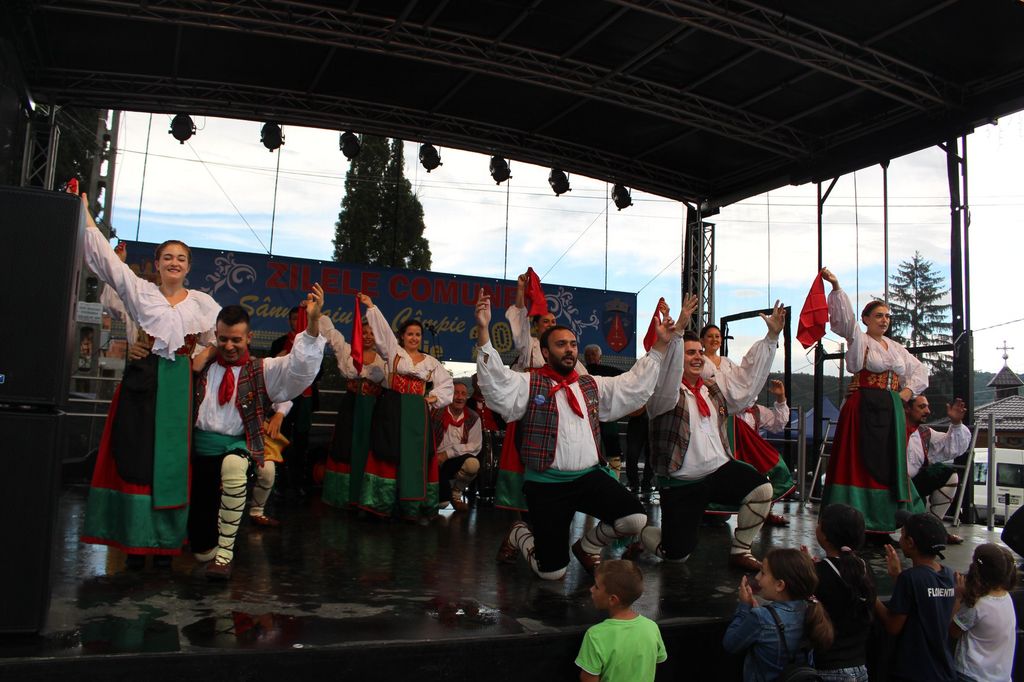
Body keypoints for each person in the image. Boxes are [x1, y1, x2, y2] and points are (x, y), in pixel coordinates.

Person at [477, 293, 684, 580]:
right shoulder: (529, 382)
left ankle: (587, 547)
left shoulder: (589, 385)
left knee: (634, 518)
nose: (569, 350)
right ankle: (519, 533)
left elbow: (633, 384)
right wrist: (483, 331)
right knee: (552, 573)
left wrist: (660, 345)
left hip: (587, 478)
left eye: (573, 344)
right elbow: (495, 381)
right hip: (547, 484)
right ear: (545, 352)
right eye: (561, 344)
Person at [76, 193, 220, 568]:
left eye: (181, 258)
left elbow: (220, 337)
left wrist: (202, 357)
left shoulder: (202, 303)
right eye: (167, 257)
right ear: (156, 264)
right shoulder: (141, 291)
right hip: (143, 383)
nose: (174, 262)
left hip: (179, 388)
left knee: (171, 465)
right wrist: (86, 213)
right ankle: (135, 542)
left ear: (189, 267)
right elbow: (107, 262)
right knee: (137, 457)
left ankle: (165, 543)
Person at [629, 302, 786, 572]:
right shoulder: (663, 393)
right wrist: (677, 333)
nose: (698, 357)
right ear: (676, 357)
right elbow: (668, 372)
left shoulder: (711, 389)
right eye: (690, 352)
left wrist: (771, 337)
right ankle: (641, 534)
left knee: (762, 489)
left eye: (700, 352)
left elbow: (746, 384)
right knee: (676, 555)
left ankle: (741, 550)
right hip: (682, 482)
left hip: (717, 471)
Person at [188, 295, 327, 580]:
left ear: (249, 338)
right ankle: (209, 548)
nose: (229, 345)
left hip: (240, 443)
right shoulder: (200, 365)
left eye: (236, 340)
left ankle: (225, 556)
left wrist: (312, 323)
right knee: (201, 546)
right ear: (216, 337)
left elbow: (299, 367)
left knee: (234, 467)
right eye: (223, 339)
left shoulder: (263, 369)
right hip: (201, 449)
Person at [820, 267, 929, 534]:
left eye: (887, 316)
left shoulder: (896, 348)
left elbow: (920, 371)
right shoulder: (860, 340)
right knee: (860, 460)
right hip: (864, 407)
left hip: (891, 409)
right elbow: (845, 324)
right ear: (866, 319)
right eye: (879, 315)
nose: (884, 320)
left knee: (888, 460)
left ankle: (891, 516)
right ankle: (857, 518)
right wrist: (836, 287)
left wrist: (906, 393)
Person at [359, 293, 453, 520]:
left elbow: (447, 384)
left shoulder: (430, 362)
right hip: (393, 408)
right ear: (402, 336)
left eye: (418, 334)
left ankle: (412, 505)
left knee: (415, 457)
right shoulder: (394, 352)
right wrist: (371, 308)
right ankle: (383, 502)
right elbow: (383, 331)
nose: (414, 338)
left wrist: (432, 398)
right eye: (410, 334)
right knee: (389, 452)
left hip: (417, 414)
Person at [702, 324, 793, 527]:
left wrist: (780, 398)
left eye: (718, 336)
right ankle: (711, 510)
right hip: (717, 426)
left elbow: (778, 423)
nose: (715, 339)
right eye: (710, 336)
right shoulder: (701, 363)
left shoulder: (729, 364)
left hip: (743, 441)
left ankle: (764, 510)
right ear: (702, 340)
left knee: (764, 469)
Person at [722, 548, 834, 682]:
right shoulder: (812, 609)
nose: (757, 577)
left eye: (763, 573)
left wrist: (744, 607)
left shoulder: (760, 618)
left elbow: (731, 644)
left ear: (780, 585)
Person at [874, 511, 956, 682]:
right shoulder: (948, 575)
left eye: (902, 534)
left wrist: (870, 595)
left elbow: (893, 625)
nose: (900, 538)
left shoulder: (910, 578)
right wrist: (897, 576)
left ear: (910, 543)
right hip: (943, 670)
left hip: (914, 671)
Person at [319, 314, 388, 509]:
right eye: (364, 332)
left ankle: (367, 497)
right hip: (351, 406)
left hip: (374, 409)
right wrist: (318, 312)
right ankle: (345, 496)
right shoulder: (348, 350)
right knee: (346, 446)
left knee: (371, 449)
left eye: (372, 333)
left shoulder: (385, 359)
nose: (368, 336)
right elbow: (332, 334)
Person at [811, 503, 876, 682]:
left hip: (828, 668)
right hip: (860, 667)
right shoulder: (864, 568)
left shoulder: (819, 573)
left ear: (824, 535)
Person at [575, 560, 667, 682]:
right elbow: (655, 663)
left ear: (613, 599)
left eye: (596, 586)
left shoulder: (595, 635)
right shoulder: (652, 628)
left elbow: (588, 679)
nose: (591, 589)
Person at [270, 306, 321, 500]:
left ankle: (299, 483)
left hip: (305, 398)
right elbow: (270, 369)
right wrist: (281, 358)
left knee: (301, 443)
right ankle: (279, 483)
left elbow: (320, 372)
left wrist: (305, 367)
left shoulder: (313, 343)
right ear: (289, 321)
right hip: (283, 398)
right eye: (293, 318)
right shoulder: (279, 343)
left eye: (300, 318)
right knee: (281, 441)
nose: (296, 322)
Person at [905, 396, 971, 543]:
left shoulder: (923, 433)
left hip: (913, 487)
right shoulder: (890, 429)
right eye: (922, 407)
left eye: (927, 406)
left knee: (947, 474)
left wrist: (956, 424)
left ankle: (934, 528)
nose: (928, 411)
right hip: (889, 488)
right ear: (907, 409)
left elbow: (950, 446)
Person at [950, 543, 1017, 682]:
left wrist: (958, 597)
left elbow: (952, 632)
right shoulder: (1006, 597)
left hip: (972, 675)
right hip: (1000, 676)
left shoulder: (976, 605)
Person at [507, 270, 588, 374]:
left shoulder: (563, 348)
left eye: (553, 322)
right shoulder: (530, 344)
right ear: (536, 325)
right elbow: (520, 318)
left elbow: (584, 376)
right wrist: (521, 288)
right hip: (532, 384)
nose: (550, 325)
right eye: (546, 321)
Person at [432, 381, 482, 512]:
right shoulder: (436, 413)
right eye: (456, 393)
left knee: (472, 464)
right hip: (435, 459)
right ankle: (439, 492)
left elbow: (475, 445)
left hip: (456, 458)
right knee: (442, 504)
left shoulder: (473, 417)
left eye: (463, 394)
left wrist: (448, 453)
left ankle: (456, 493)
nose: (459, 397)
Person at [584, 343, 624, 471]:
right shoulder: (580, 371)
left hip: (607, 414)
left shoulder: (611, 371)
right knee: (590, 446)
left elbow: (626, 380)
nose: (590, 357)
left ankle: (615, 477)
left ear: (600, 357)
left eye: (593, 354)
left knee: (613, 446)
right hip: (588, 415)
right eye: (587, 355)